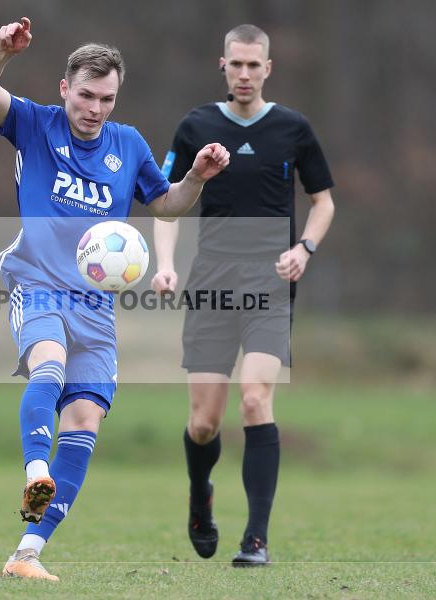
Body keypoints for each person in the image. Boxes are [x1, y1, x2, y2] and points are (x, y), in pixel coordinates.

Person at [0, 17, 230, 581]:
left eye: (107, 98)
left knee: (85, 419)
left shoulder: (128, 143)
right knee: (50, 366)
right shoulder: (35, 124)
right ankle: (37, 467)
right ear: (66, 89)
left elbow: (165, 206)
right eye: (86, 95)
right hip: (37, 283)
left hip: (94, 306)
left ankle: (27, 554)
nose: (95, 108)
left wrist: (199, 177)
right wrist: (3, 52)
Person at [151, 24, 335, 567]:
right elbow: (166, 202)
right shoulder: (196, 125)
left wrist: (304, 248)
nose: (246, 74)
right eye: (237, 64)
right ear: (223, 65)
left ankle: (256, 539)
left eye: (255, 65)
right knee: (205, 422)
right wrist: (165, 266)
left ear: (268, 68)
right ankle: (199, 493)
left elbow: (324, 202)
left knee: (255, 399)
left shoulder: (293, 129)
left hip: (269, 284)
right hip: (210, 284)